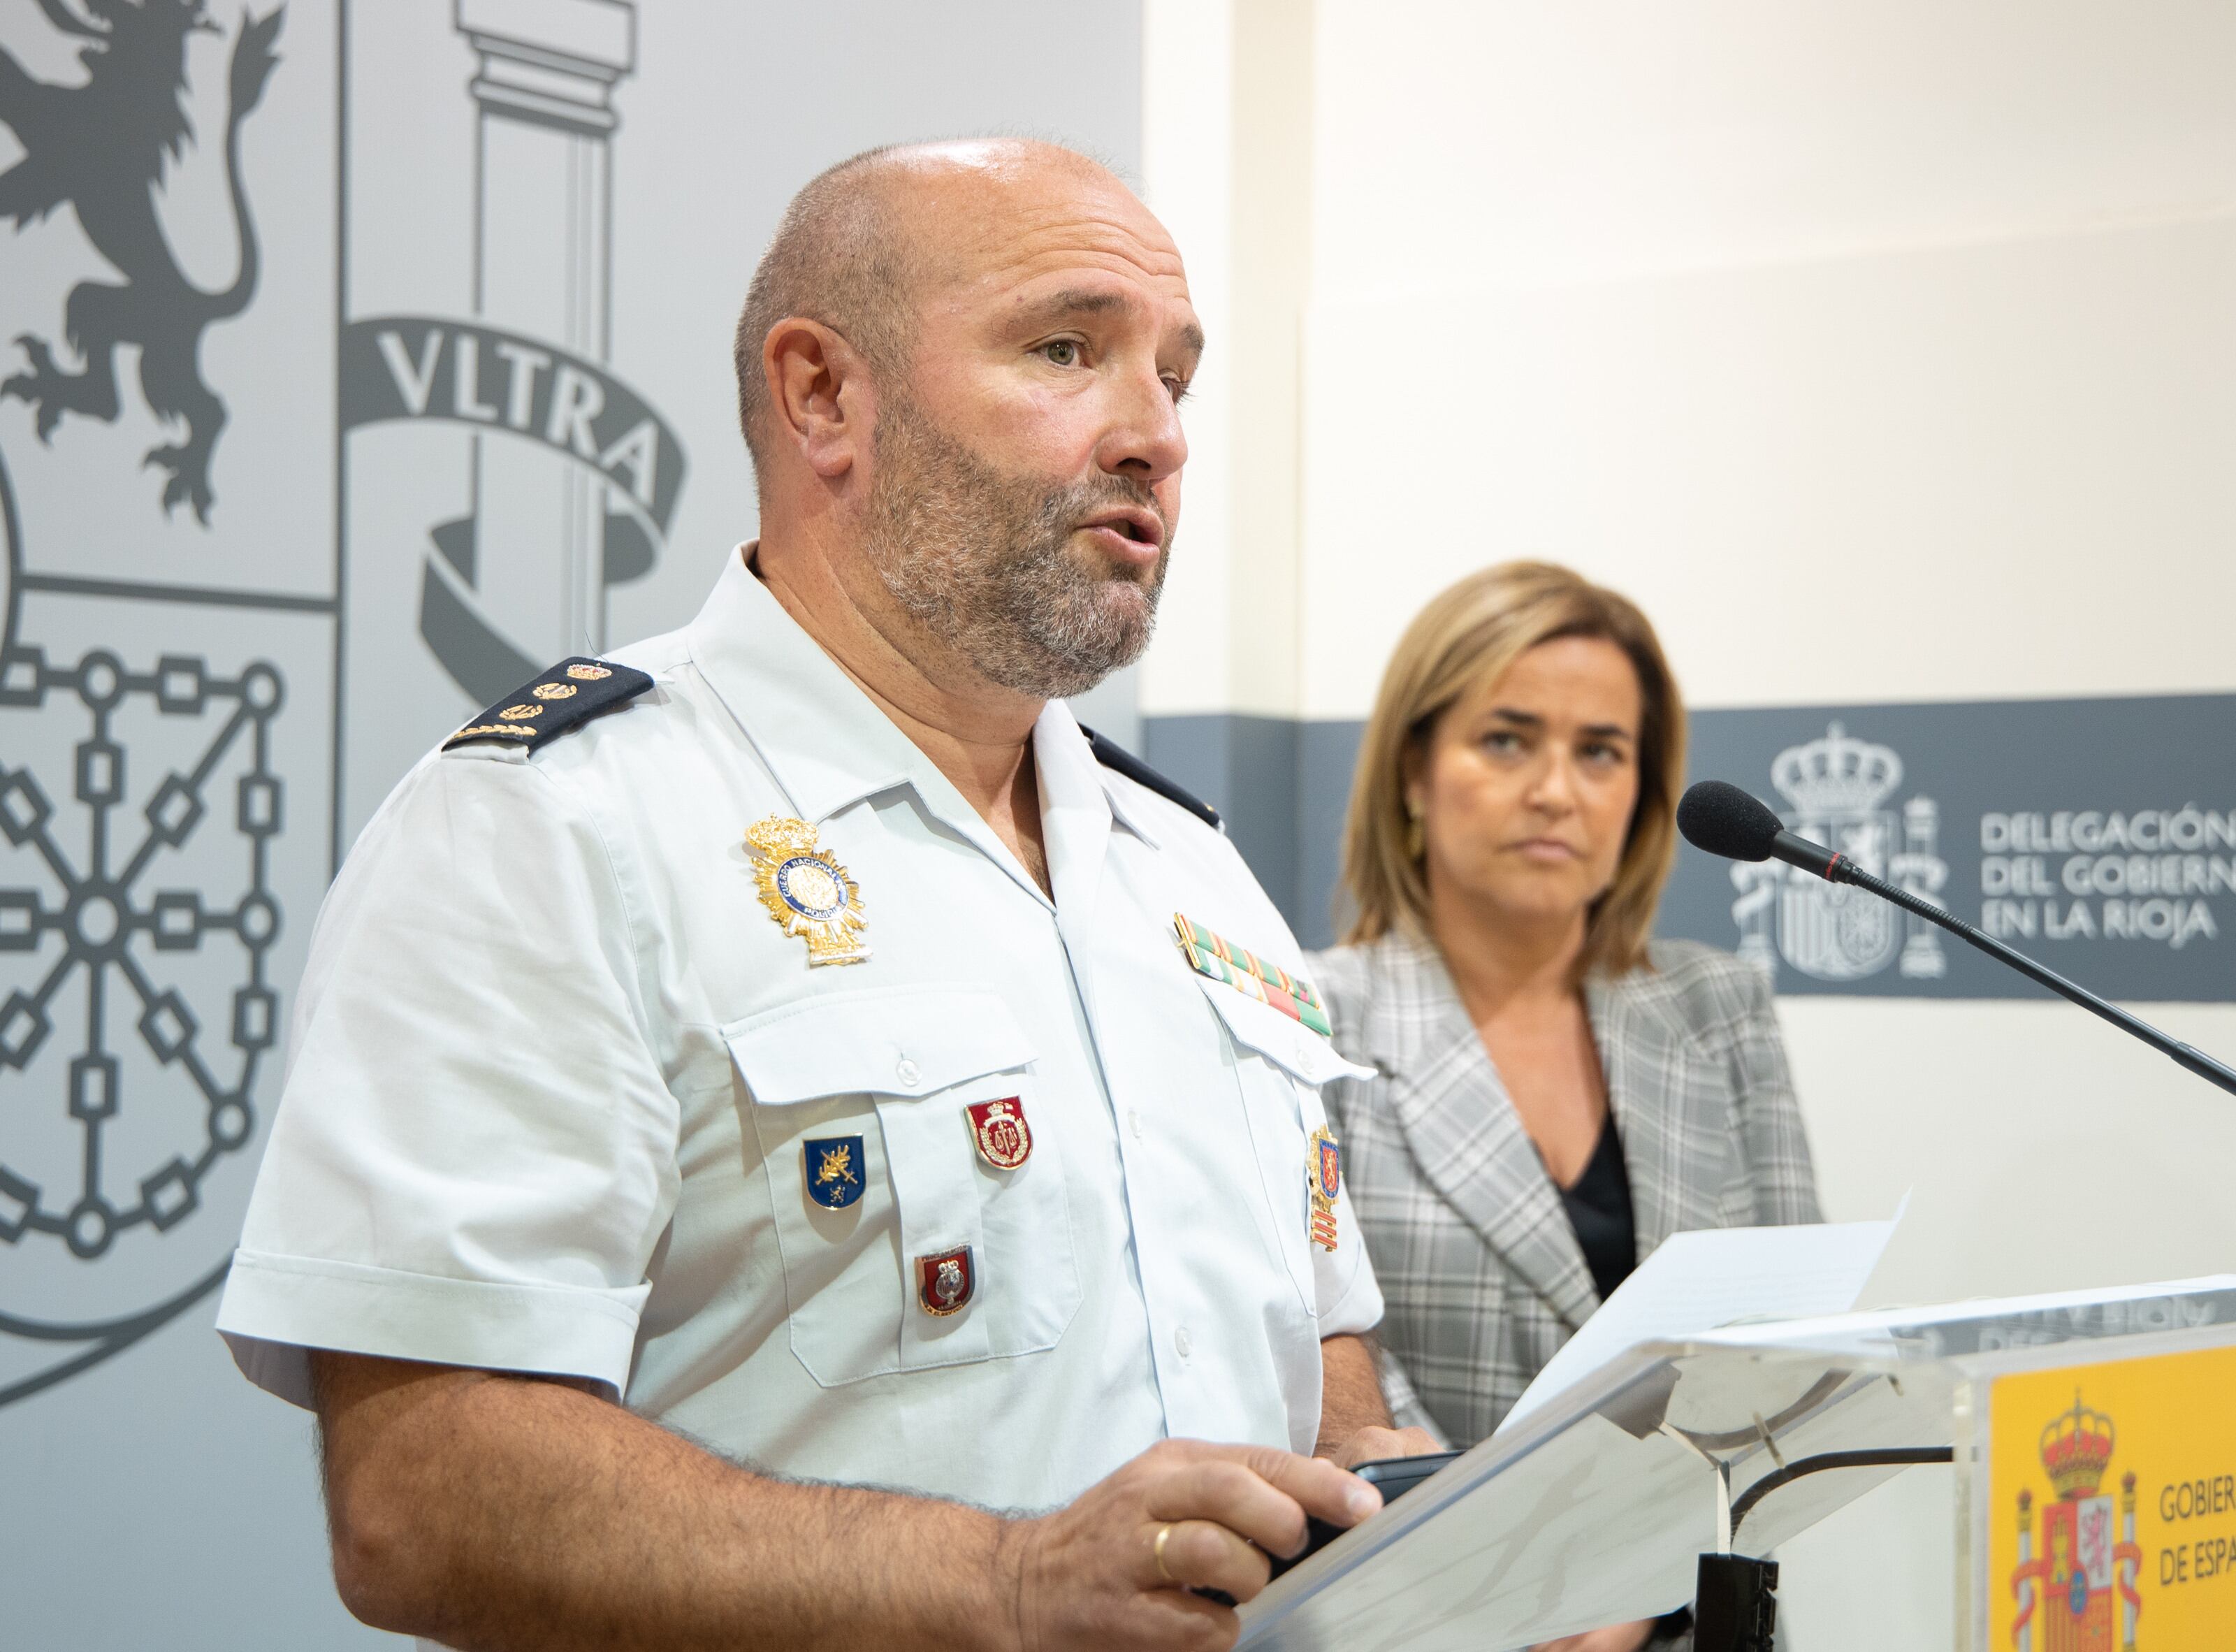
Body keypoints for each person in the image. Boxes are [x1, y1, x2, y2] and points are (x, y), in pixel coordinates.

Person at [214, 139, 1431, 1652]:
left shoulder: (1188, 866)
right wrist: (1003, 1585)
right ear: (821, 398)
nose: (1156, 436)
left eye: (1176, 377)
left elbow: (1309, 1346)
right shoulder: (556, 826)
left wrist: (1432, 1520)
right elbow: (423, 1495)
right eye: (1067, 349)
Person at [1314, 561, 1823, 1652]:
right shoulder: (1315, 1020)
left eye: (1601, 752)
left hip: (1691, 1617)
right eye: (1507, 740)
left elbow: (1785, 1353)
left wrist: (1638, 1586)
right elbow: (1332, 1369)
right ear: (1415, 770)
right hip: (1428, 1621)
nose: (1556, 789)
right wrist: (1514, 1587)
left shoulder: (1717, 1009)